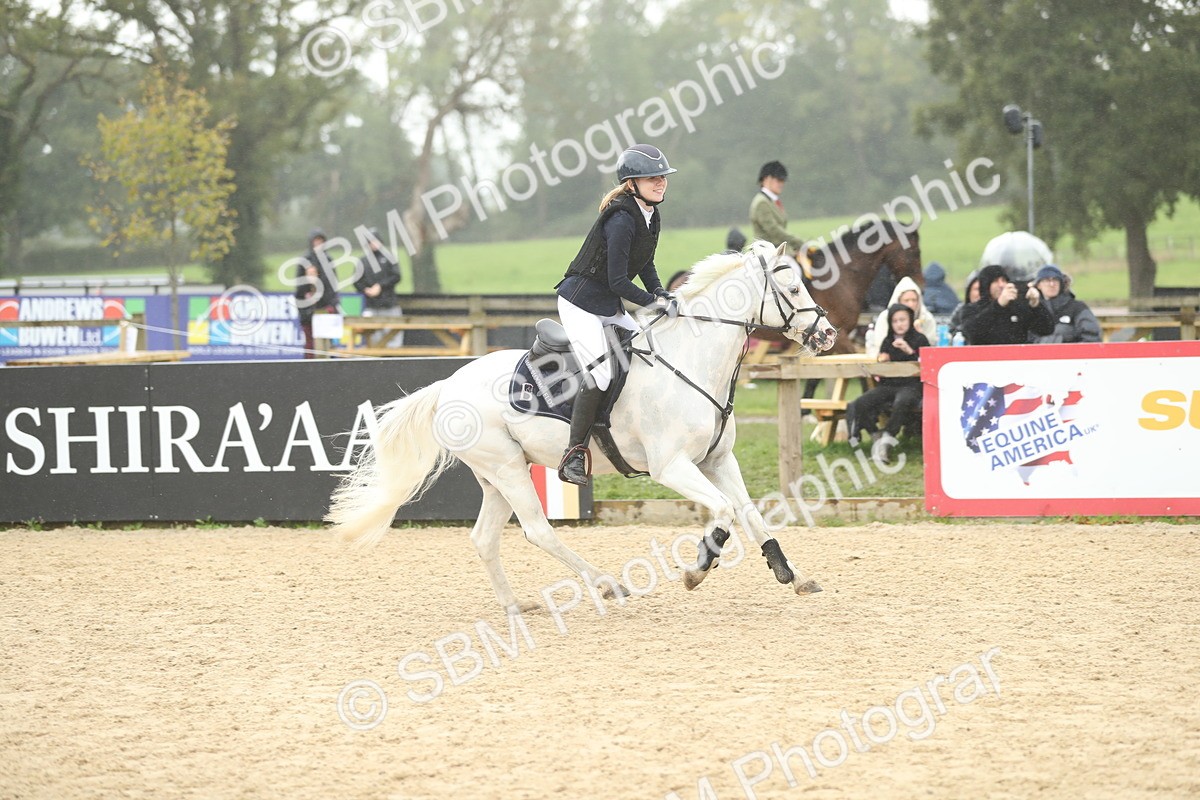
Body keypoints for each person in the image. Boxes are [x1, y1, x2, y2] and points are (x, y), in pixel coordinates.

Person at [554, 144, 679, 486]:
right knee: (603, 374)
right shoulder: (622, 218)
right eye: (652, 178)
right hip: (580, 302)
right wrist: (653, 304)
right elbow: (618, 280)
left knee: (647, 351)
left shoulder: (650, 214)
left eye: (662, 178)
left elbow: (645, 263)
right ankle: (573, 453)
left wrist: (660, 292)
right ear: (632, 183)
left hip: (607, 304)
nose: (660, 183)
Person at [846, 302, 928, 464]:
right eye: (895, 321)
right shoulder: (887, 340)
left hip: (911, 386)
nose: (899, 324)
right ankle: (876, 435)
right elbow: (880, 371)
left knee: (902, 401)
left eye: (902, 320)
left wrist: (909, 352)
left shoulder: (920, 339)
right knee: (860, 403)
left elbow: (926, 365)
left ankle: (888, 438)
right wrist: (882, 361)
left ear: (910, 320)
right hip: (888, 385)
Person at [959, 264, 1055, 345]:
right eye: (996, 281)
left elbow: (1047, 329)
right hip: (985, 362)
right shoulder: (971, 309)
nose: (1001, 285)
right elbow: (971, 333)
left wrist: (1036, 306)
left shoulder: (1016, 307)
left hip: (1015, 361)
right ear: (986, 285)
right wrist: (998, 305)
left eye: (1004, 280)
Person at [354, 228, 404, 348]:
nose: (373, 244)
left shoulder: (389, 258)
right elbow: (357, 281)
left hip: (389, 305)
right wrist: (366, 290)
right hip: (372, 306)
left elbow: (396, 276)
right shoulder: (363, 261)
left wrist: (380, 286)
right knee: (374, 341)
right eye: (370, 242)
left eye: (375, 241)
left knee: (393, 340)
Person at [294, 228, 341, 358]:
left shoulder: (328, 261)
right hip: (309, 312)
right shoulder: (304, 261)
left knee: (326, 345)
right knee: (311, 345)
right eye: (316, 241)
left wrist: (331, 305)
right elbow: (299, 290)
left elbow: (332, 286)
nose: (319, 244)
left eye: (321, 241)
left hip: (325, 310)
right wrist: (308, 282)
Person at [864, 276, 937, 358]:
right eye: (906, 300)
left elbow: (931, 349)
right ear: (898, 300)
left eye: (914, 300)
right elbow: (880, 345)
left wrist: (919, 335)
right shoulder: (885, 317)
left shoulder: (926, 318)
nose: (911, 304)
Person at [1029, 264, 1101, 344]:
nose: (1052, 284)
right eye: (1046, 280)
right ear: (1038, 285)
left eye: (1055, 280)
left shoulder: (1077, 308)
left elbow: (1092, 337)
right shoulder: (1032, 309)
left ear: (1061, 284)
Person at [749, 161, 806, 260]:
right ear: (767, 179)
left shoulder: (771, 201)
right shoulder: (762, 203)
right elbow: (774, 231)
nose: (782, 183)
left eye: (783, 180)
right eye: (779, 180)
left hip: (778, 251)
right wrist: (798, 242)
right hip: (767, 255)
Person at [948, 270, 980, 340]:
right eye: (976, 289)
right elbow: (950, 331)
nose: (980, 293)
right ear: (969, 291)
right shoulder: (960, 309)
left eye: (983, 289)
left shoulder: (992, 310)